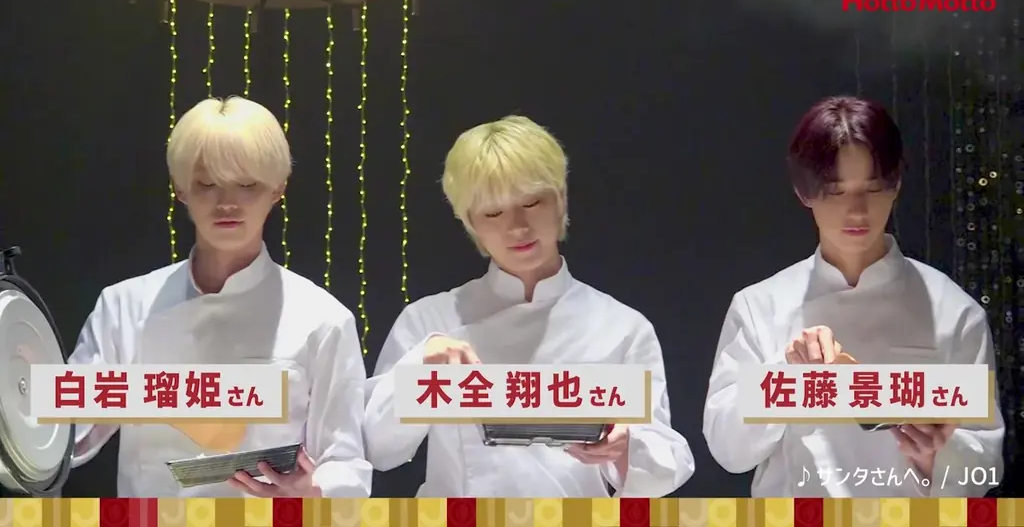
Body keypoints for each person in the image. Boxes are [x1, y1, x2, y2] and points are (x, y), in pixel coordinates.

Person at [363, 115, 694, 498]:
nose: (517, 227)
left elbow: (668, 464)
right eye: (493, 213)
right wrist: (421, 368)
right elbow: (376, 447)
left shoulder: (622, 328)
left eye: (532, 202)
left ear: (560, 199)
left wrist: (625, 446)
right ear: (469, 222)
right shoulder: (429, 321)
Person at [67, 96, 372, 498]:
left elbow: (347, 463)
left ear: (278, 189)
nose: (227, 203)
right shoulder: (124, 305)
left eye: (247, 185)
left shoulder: (323, 319)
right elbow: (60, 435)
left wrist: (312, 490)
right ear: (180, 189)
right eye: (207, 184)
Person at [702, 95, 1005, 497]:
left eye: (873, 189)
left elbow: (986, 462)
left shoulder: (954, 311)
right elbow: (728, 450)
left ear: (896, 185)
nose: (858, 212)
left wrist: (936, 455)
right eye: (836, 192)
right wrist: (787, 376)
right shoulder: (760, 307)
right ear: (804, 192)